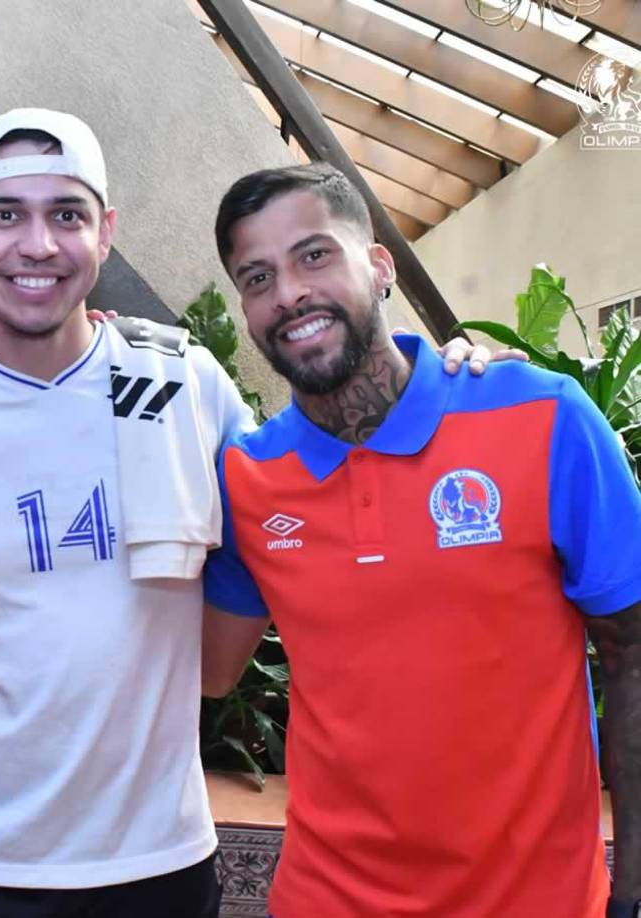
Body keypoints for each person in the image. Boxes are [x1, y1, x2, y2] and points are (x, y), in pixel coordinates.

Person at [0, 109, 500, 918]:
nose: (38, 245)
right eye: (5, 215)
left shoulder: (185, 381)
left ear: (106, 234)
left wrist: (448, 385)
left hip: (160, 866)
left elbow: (317, 481)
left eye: (67, 214)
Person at [201, 161, 641, 918]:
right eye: (257, 276)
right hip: (324, 900)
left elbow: (633, 654)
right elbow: (206, 670)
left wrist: (634, 888)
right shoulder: (247, 477)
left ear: (379, 267)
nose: (290, 293)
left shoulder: (542, 416)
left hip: (539, 900)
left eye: (315, 255)